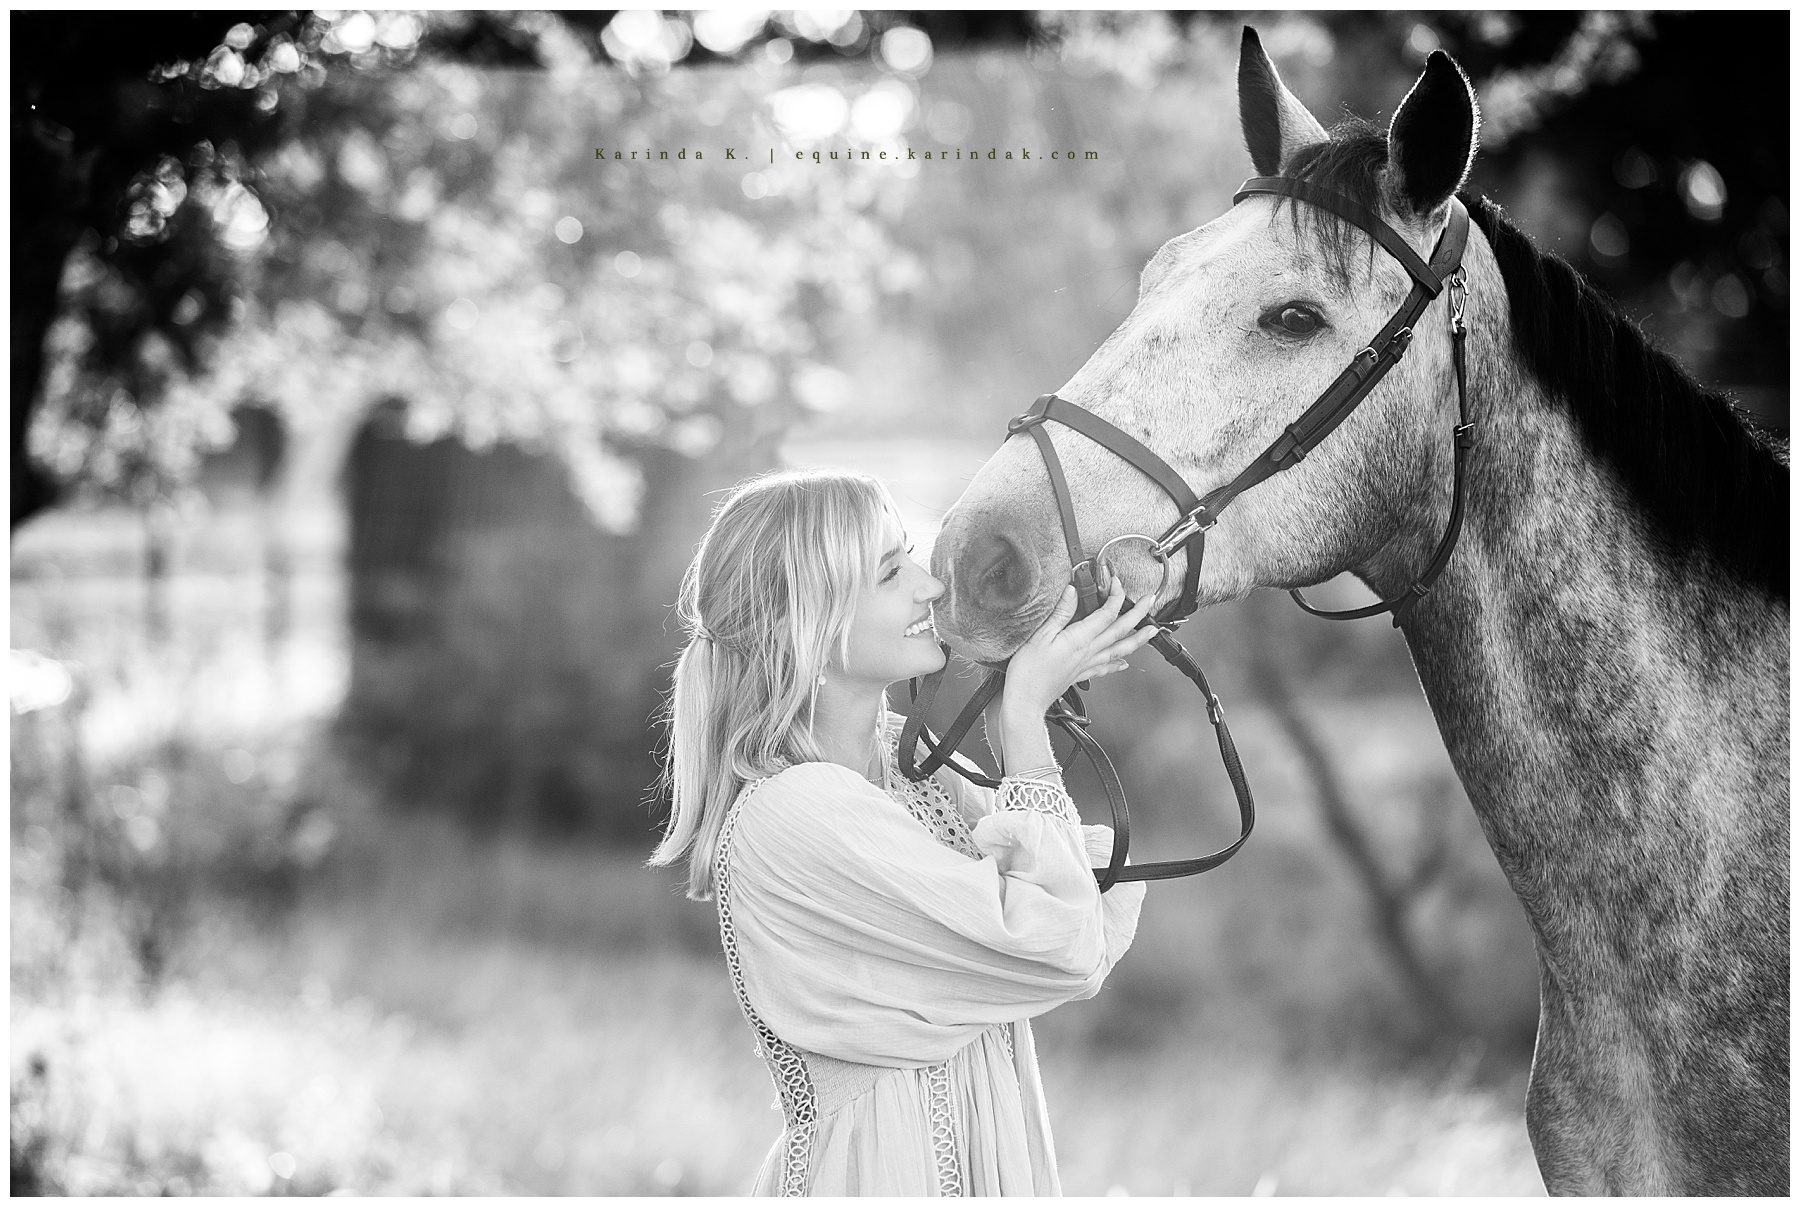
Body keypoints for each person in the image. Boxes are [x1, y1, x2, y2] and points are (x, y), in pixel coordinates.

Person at [649, 468, 1156, 1196]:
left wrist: (1026, 701)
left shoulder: (916, 772)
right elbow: (1058, 945)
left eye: (910, 556)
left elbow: (1085, 927)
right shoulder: (793, 813)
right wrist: (1021, 724)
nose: (931, 586)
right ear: (810, 622)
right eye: (892, 572)